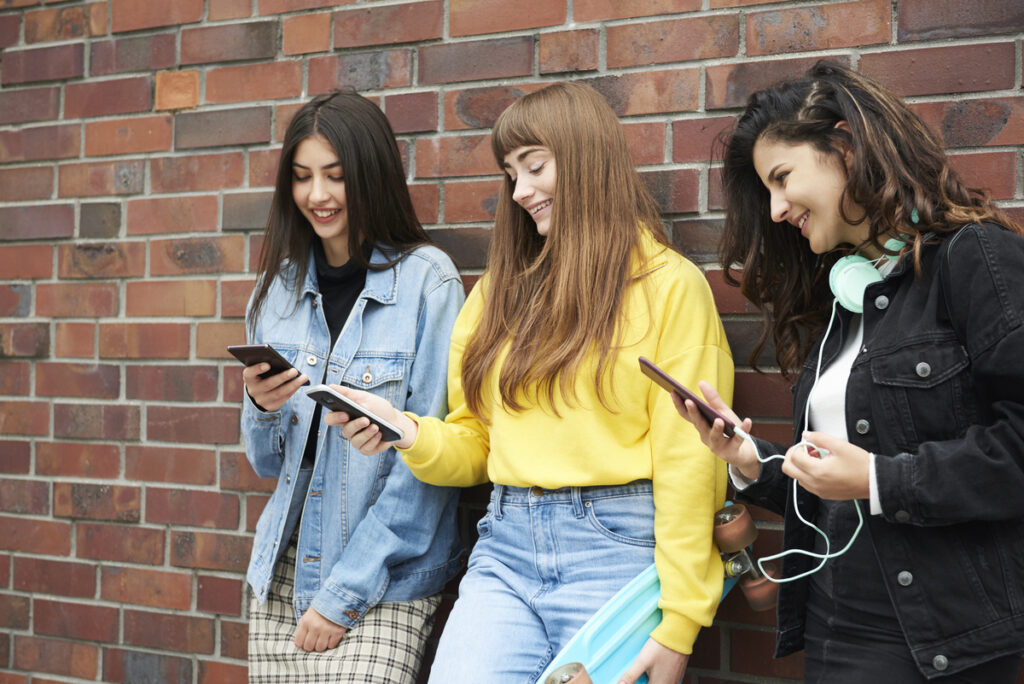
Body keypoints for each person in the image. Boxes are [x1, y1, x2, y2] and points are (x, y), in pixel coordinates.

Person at [324, 81, 735, 684]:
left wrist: (679, 623)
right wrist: (408, 434)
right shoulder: (497, 294)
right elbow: (476, 445)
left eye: (535, 167)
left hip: (616, 550)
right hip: (506, 547)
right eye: (511, 174)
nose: (520, 192)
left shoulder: (670, 287)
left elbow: (690, 464)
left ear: (587, 158)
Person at [673, 61, 1024, 682]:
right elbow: (840, 493)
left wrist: (884, 480)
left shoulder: (978, 259)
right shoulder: (846, 299)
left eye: (782, 179)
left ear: (843, 144)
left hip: (938, 641)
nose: (777, 209)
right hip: (837, 621)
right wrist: (754, 461)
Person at [239, 90, 465, 684]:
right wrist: (262, 409)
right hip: (283, 570)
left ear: (370, 175)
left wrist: (344, 594)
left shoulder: (429, 283)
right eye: (303, 177)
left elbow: (427, 465)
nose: (318, 195)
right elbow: (266, 463)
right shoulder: (276, 294)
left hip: (385, 574)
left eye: (336, 177)